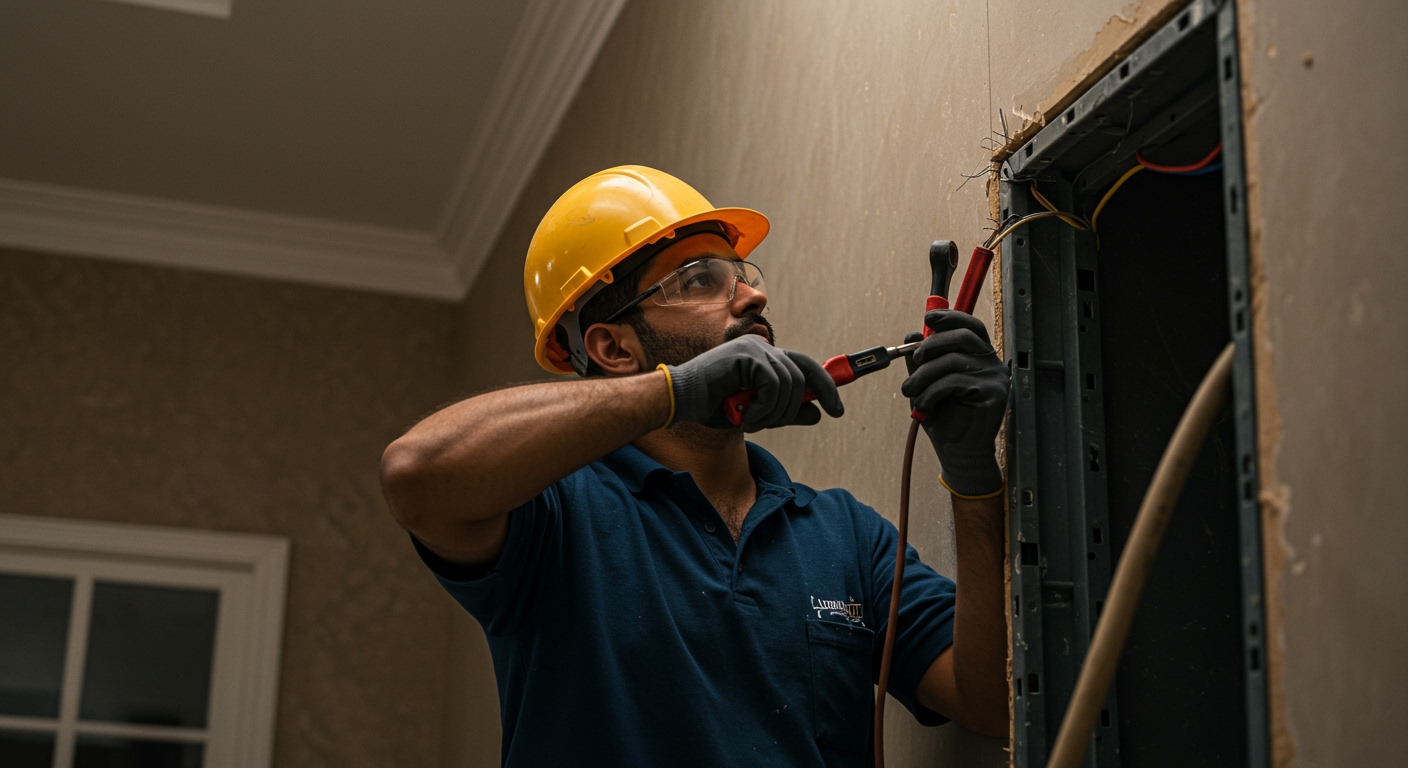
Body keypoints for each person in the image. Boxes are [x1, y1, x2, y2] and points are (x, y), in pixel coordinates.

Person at [381, 166, 1010, 767]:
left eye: (741, 274)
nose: (752, 295)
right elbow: (417, 471)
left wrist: (973, 476)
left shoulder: (847, 536)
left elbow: (990, 702)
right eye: (700, 280)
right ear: (613, 347)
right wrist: (675, 391)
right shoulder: (553, 514)